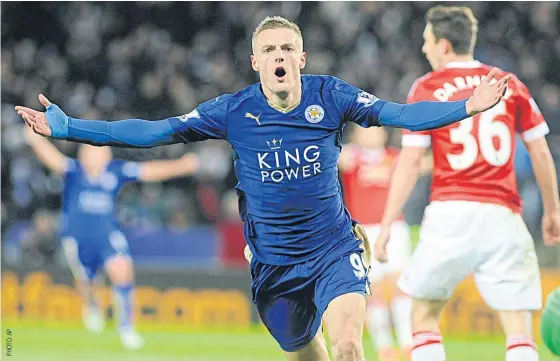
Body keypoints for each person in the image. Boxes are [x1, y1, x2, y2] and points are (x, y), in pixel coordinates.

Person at [17, 15, 510, 361]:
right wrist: (71, 129)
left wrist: (468, 105)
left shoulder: (330, 95)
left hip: (333, 249)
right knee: (305, 351)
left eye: (287, 49)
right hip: (273, 263)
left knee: (348, 347)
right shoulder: (233, 110)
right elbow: (156, 130)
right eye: (269, 50)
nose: (279, 56)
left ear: (301, 57)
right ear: (255, 62)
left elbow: (400, 115)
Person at [373, 6, 560, 361]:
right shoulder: (509, 83)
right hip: (503, 213)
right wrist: (553, 212)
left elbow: (411, 160)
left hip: (451, 211)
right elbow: (540, 152)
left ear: (443, 45)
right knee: (518, 328)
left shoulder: (428, 86)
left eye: (427, 42)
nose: (424, 49)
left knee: (424, 315)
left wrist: (386, 223)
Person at [24, 127, 199, 350]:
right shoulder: (74, 171)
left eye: (98, 151)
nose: (94, 155)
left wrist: (181, 166)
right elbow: (54, 160)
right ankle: (92, 305)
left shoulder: (116, 172)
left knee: (122, 270)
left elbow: (148, 171)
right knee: (87, 282)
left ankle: (127, 328)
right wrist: (35, 141)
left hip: (108, 237)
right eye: (88, 151)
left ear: (107, 155)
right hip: (77, 240)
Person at [339, 126, 429, 361]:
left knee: (400, 287)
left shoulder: (394, 157)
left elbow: (422, 164)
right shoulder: (350, 156)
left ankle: (408, 345)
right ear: (356, 135)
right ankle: (385, 348)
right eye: (365, 130)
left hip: (394, 228)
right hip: (364, 231)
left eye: (376, 130)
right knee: (374, 292)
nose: (373, 133)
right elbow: (328, 155)